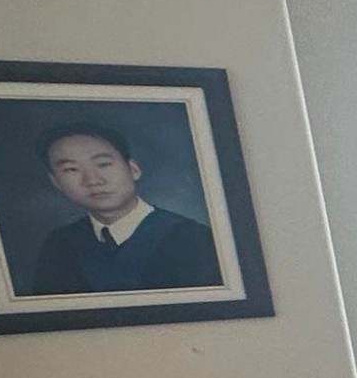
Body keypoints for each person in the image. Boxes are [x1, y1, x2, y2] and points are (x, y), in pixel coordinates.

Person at [15, 120, 223, 295]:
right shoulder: (59, 246)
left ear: (133, 169)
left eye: (104, 164)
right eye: (71, 169)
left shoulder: (195, 240)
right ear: (56, 183)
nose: (93, 180)